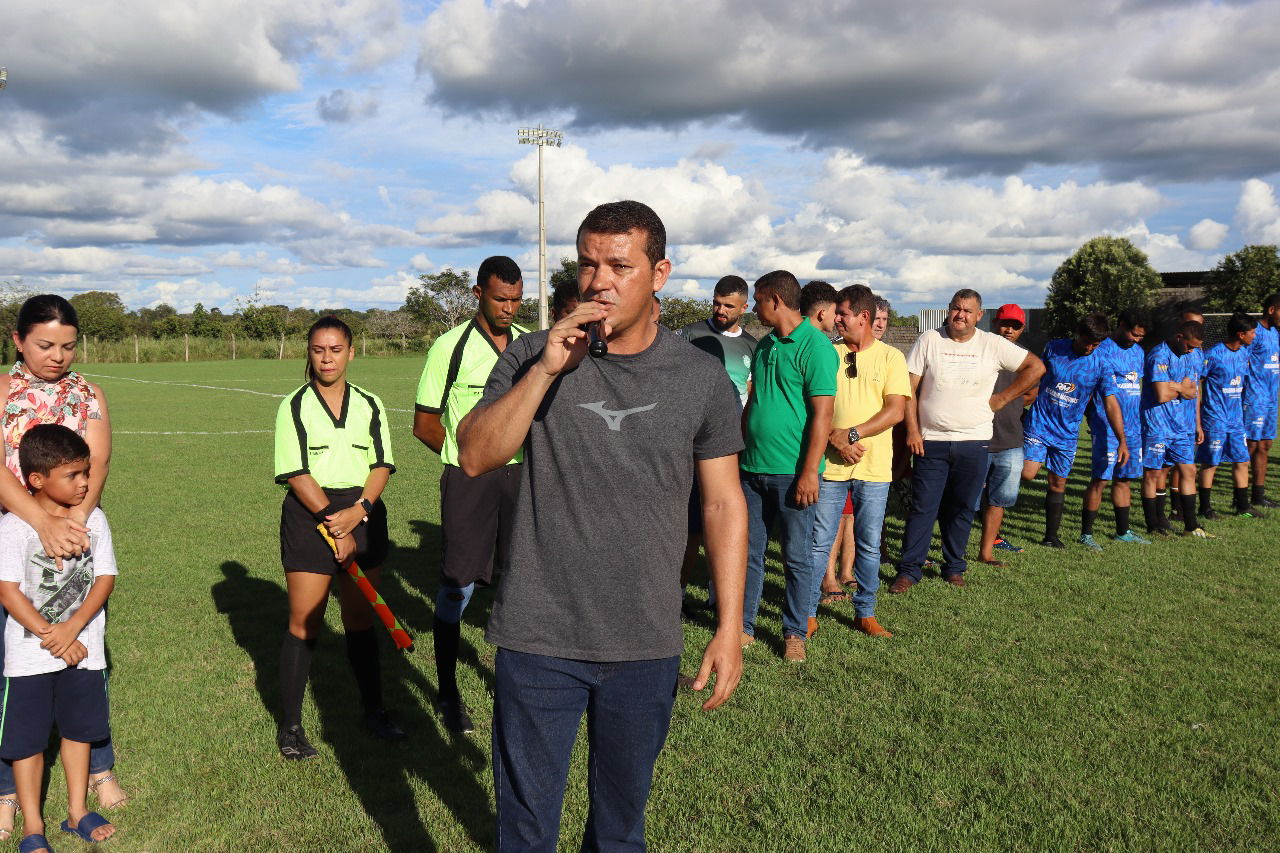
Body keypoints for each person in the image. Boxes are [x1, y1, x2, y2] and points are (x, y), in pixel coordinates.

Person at [456, 200, 746, 851]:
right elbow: (476, 452)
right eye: (588, 264)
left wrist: (729, 625)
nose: (600, 280)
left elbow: (724, 502)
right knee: (526, 833)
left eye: (620, 264)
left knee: (619, 831)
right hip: (538, 636)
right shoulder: (533, 353)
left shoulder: (700, 378)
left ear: (659, 273)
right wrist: (547, 370)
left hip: (645, 640)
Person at [0, 295, 125, 836]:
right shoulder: (3, 392)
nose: (58, 356)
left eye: (68, 346)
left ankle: (99, 769)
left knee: (87, 660)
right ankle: (6, 790)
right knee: (11, 662)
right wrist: (39, 522)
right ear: (18, 341)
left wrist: (73, 523)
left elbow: (96, 464)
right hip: (11, 528)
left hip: (76, 531)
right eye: (45, 345)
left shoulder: (88, 395)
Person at [273, 316, 401, 761]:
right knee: (304, 621)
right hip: (313, 516)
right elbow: (295, 472)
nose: (326, 358)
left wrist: (360, 512)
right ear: (308, 353)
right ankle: (290, 727)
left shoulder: (370, 403)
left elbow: (382, 463)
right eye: (318, 350)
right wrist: (334, 523)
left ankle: (374, 711)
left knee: (360, 621)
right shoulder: (293, 405)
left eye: (335, 350)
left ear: (351, 353)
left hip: (362, 512)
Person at [413, 256, 527, 734]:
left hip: (519, 478)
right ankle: (447, 692)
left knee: (519, 581)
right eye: (501, 298)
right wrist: (467, 461)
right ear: (478, 294)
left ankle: (516, 681)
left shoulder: (528, 345)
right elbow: (424, 424)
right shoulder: (449, 347)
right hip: (469, 481)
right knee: (457, 583)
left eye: (517, 300)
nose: (509, 308)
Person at [888, 289, 1044, 594]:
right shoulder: (930, 340)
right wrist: (913, 430)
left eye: (968, 311)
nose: (961, 315)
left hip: (974, 441)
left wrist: (1002, 398)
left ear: (979, 315)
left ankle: (954, 567)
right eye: (956, 309)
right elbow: (909, 387)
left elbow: (1036, 368)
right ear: (949, 310)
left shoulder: (992, 344)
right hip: (930, 440)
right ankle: (908, 571)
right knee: (923, 508)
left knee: (961, 508)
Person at [740, 270, 838, 662]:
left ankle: (794, 631)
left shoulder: (815, 347)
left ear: (776, 301)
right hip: (751, 468)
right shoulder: (765, 347)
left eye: (758, 300)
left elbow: (822, 415)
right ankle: (744, 626)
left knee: (796, 556)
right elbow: (755, 403)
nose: (753, 307)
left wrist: (810, 471)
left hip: (792, 473)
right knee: (749, 552)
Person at [810, 285, 908, 638]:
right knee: (819, 542)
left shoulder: (891, 358)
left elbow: (895, 410)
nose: (836, 319)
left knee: (868, 544)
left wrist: (851, 434)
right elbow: (814, 404)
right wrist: (835, 437)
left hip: (873, 468)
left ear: (863, 318)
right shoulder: (826, 353)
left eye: (843, 314)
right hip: (830, 467)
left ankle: (865, 611)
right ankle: (807, 613)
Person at [675, 275, 757, 610]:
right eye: (716, 303)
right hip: (690, 442)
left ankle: (717, 589)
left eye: (728, 305)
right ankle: (676, 592)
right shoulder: (691, 334)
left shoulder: (752, 345)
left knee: (724, 520)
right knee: (690, 523)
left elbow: (751, 396)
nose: (720, 310)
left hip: (730, 444)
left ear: (744, 307)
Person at [1020, 314, 1128, 551]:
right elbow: (1035, 376)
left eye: (1095, 344)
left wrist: (1122, 439)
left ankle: (1050, 537)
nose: (1089, 348)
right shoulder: (1054, 348)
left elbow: (1110, 402)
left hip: (1068, 432)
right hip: (1040, 423)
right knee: (1027, 473)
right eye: (1086, 342)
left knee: (1058, 482)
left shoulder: (1101, 363)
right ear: (1076, 334)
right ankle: (989, 493)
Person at [1081, 308, 1151, 545]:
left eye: (1141, 336)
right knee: (1100, 479)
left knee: (1125, 478)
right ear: (1121, 324)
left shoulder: (1139, 352)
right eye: (1134, 334)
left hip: (1133, 428)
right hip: (1106, 426)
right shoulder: (1102, 350)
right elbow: (1092, 389)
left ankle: (1123, 532)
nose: (1137, 339)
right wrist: (1092, 417)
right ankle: (1086, 534)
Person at [975, 304, 1036, 565]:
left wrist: (1008, 403)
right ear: (993, 324)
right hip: (976, 437)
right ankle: (952, 551)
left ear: (1022, 329)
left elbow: (1032, 393)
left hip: (1010, 441)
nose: (1008, 330)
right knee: (967, 500)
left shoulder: (1026, 360)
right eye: (1004, 323)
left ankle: (986, 551)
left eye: (1015, 325)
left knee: (999, 500)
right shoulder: (979, 351)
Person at [1139, 320, 1206, 537]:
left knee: (1189, 470)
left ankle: (1191, 525)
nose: (1192, 350)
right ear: (1179, 337)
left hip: (1184, 427)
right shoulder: (1159, 355)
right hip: (1157, 425)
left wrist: (1197, 423)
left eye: (1195, 347)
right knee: (1153, 474)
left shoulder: (1196, 355)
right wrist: (1182, 389)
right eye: (1189, 345)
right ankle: (1153, 524)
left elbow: (1195, 391)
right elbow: (1161, 395)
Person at [1196, 313, 1258, 518]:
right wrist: (1198, 417)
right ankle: (1205, 508)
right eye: (1252, 332)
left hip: (1236, 420)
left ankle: (1242, 506)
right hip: (1215, 419)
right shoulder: (1213, 354)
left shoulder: (1244, 354)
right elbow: (1198, 383)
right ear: (1241, 334)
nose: (1255, 335)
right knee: (1211, 462)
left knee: (1242, 460)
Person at [1243, 293, 1280, 508]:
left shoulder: (1275, 333)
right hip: (1254, 397)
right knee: (1249, 445)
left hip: (1271, 398)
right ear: (1272, 310)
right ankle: (1240, 495)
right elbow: (1240, 357)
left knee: (1265, 445)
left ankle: (1258, 495)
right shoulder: (1253, 332)